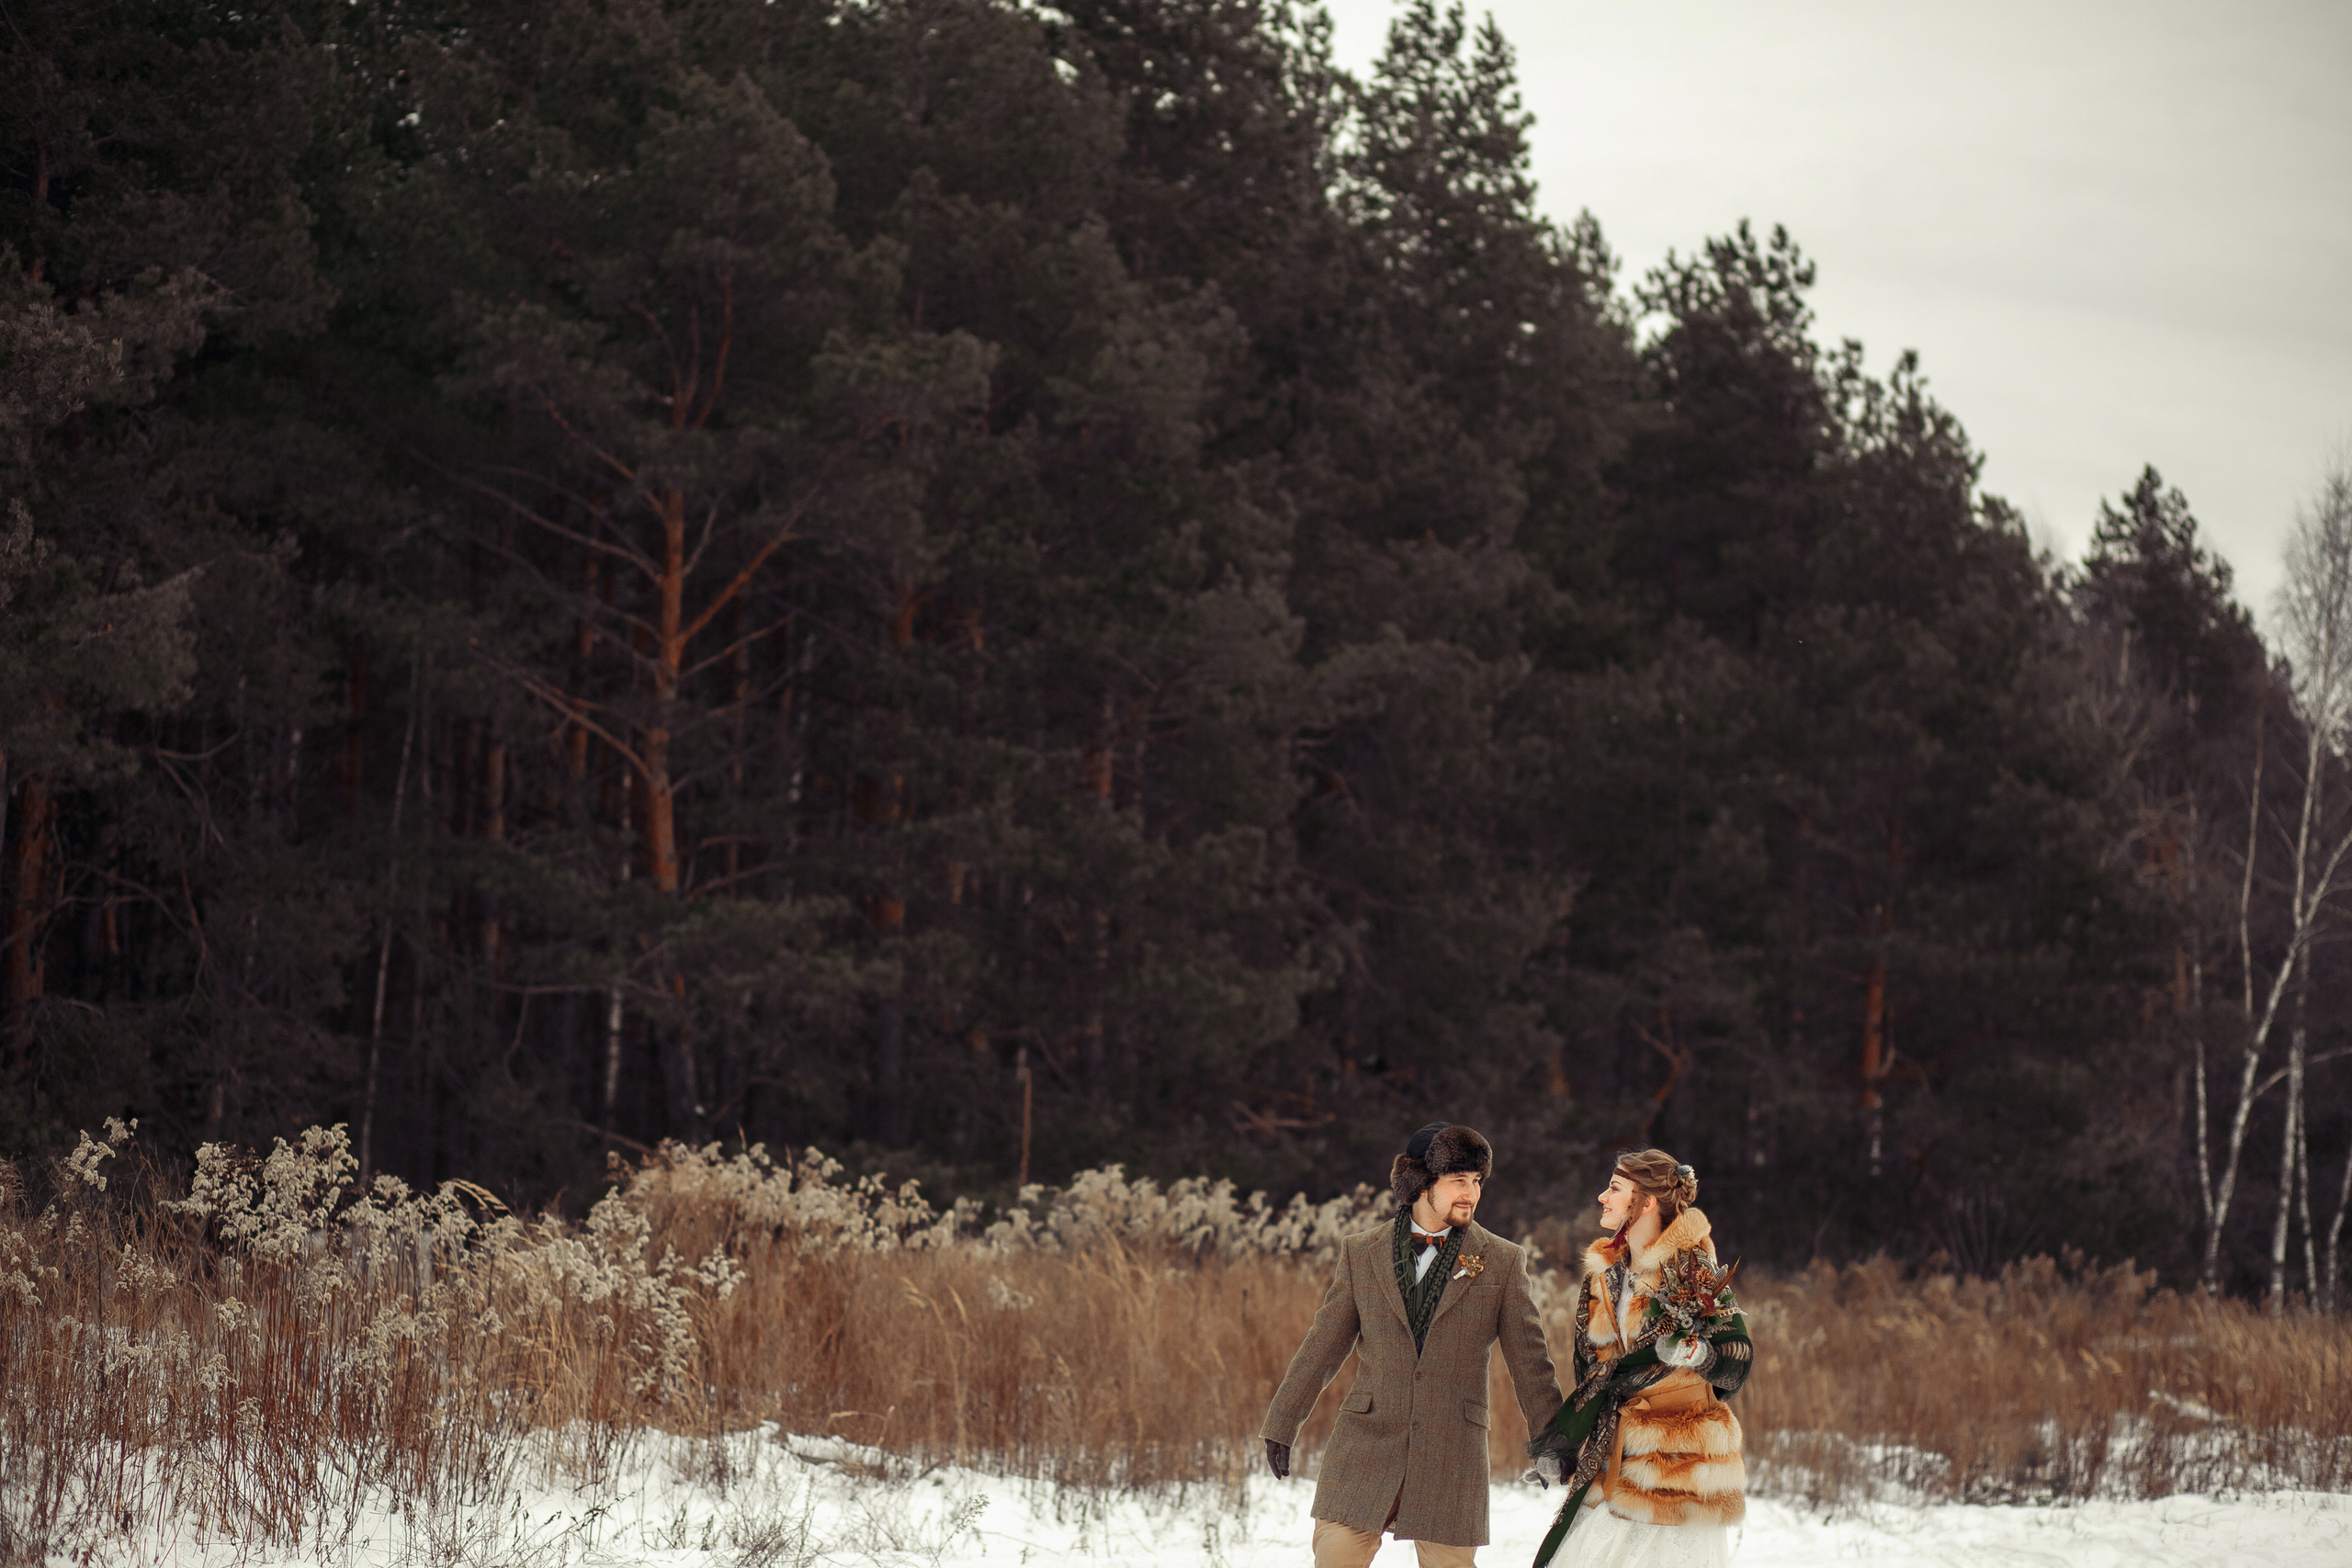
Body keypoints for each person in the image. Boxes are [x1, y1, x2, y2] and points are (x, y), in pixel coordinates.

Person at [1261, 1122, 1564, 1568]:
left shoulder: (1502, 1261)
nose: (1472, 1193)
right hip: (1366, 1443)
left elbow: (1531, 1361)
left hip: (1452, 1451)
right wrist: (1282, 1422)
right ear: (1422, 1183)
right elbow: (1323, 1345)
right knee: (1335, 1558)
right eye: (1458, 1180)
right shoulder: (1362, 1253)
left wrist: (1552, 1440)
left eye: (1477, 1181)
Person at [1527, 1149, 1752, 1568]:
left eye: (1614, 1188)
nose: (1602, 1197)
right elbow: (1591, 1372)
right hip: (1612, 1452)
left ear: (1646, 1201)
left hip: (1677, 1466)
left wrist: (1697, 1353)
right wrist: (1566, 1444)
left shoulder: (1692, 1266)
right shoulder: (1605, 1273)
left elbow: (1736, 1357)